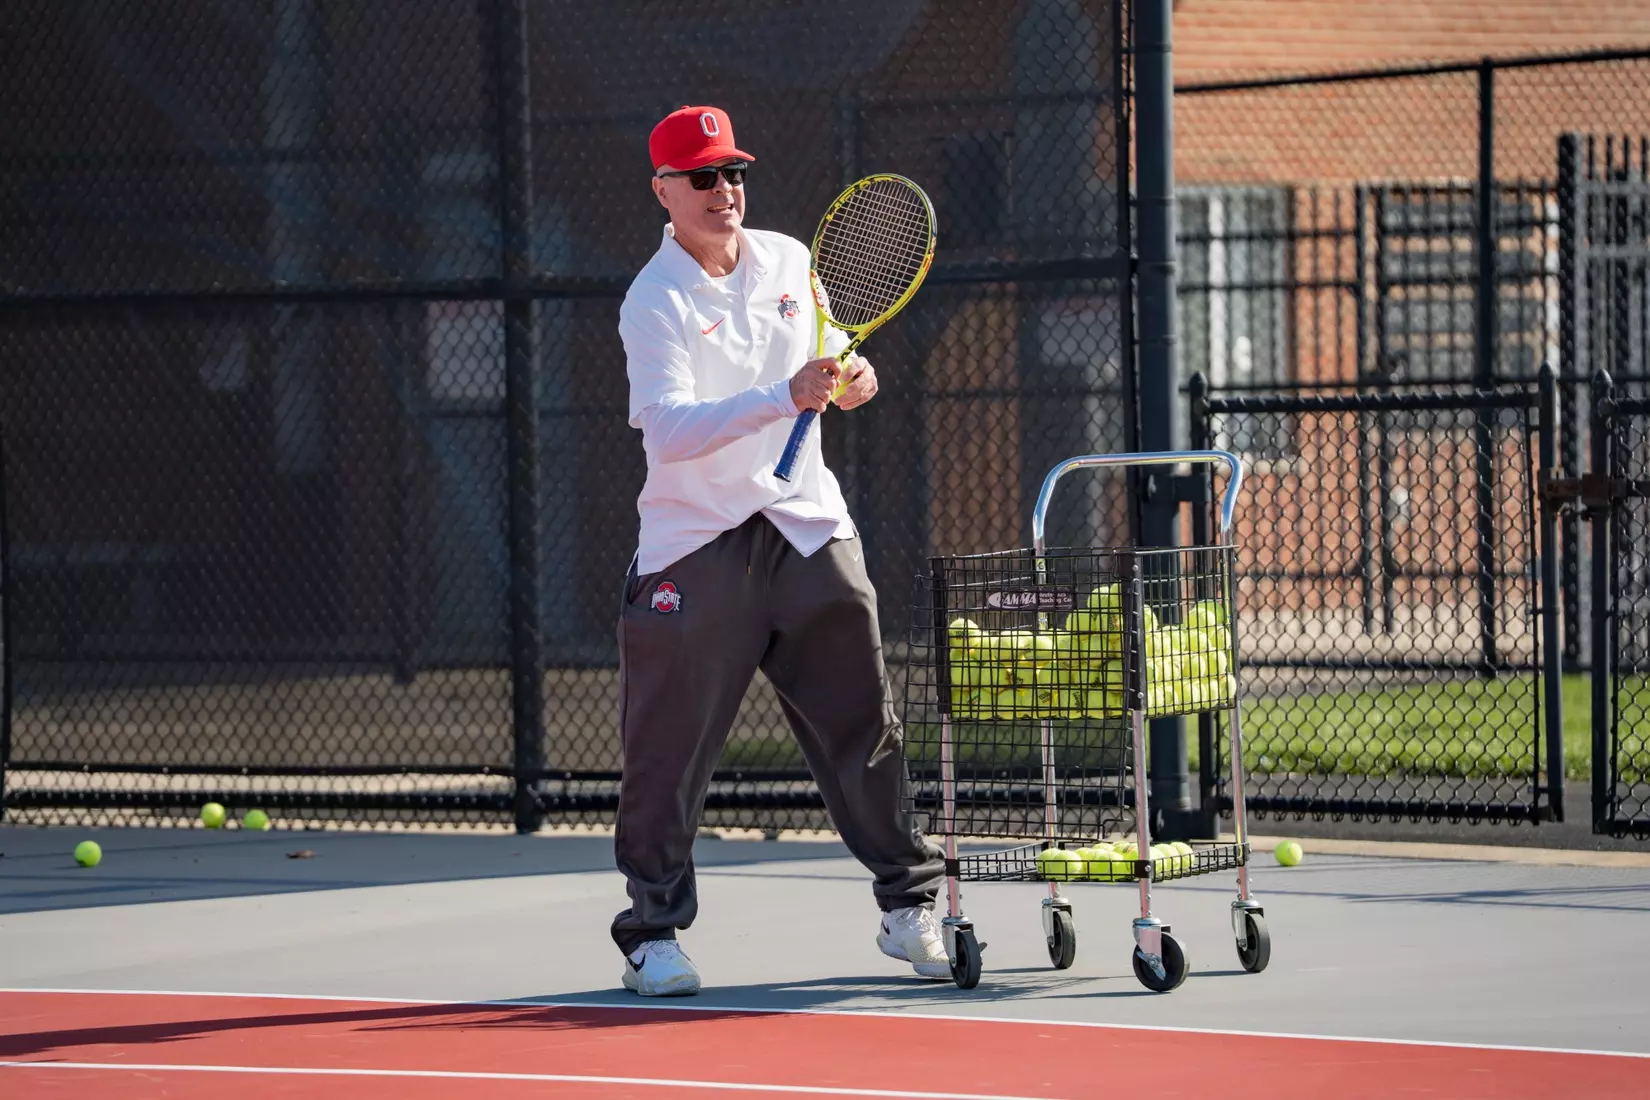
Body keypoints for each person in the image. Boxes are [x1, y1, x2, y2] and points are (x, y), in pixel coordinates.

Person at [611, 105, 948, 996]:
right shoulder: (654, 301)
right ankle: (652, 932)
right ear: (664, 192)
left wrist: (851, 378)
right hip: (696, 545)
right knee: (667, 750)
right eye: (703, 178)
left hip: (807, 526)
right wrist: (779, 395)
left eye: (733, 173)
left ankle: (910, 905)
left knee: (864, 726)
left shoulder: (793, 261)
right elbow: (673, 431)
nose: (725, 191)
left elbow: (830, 358)